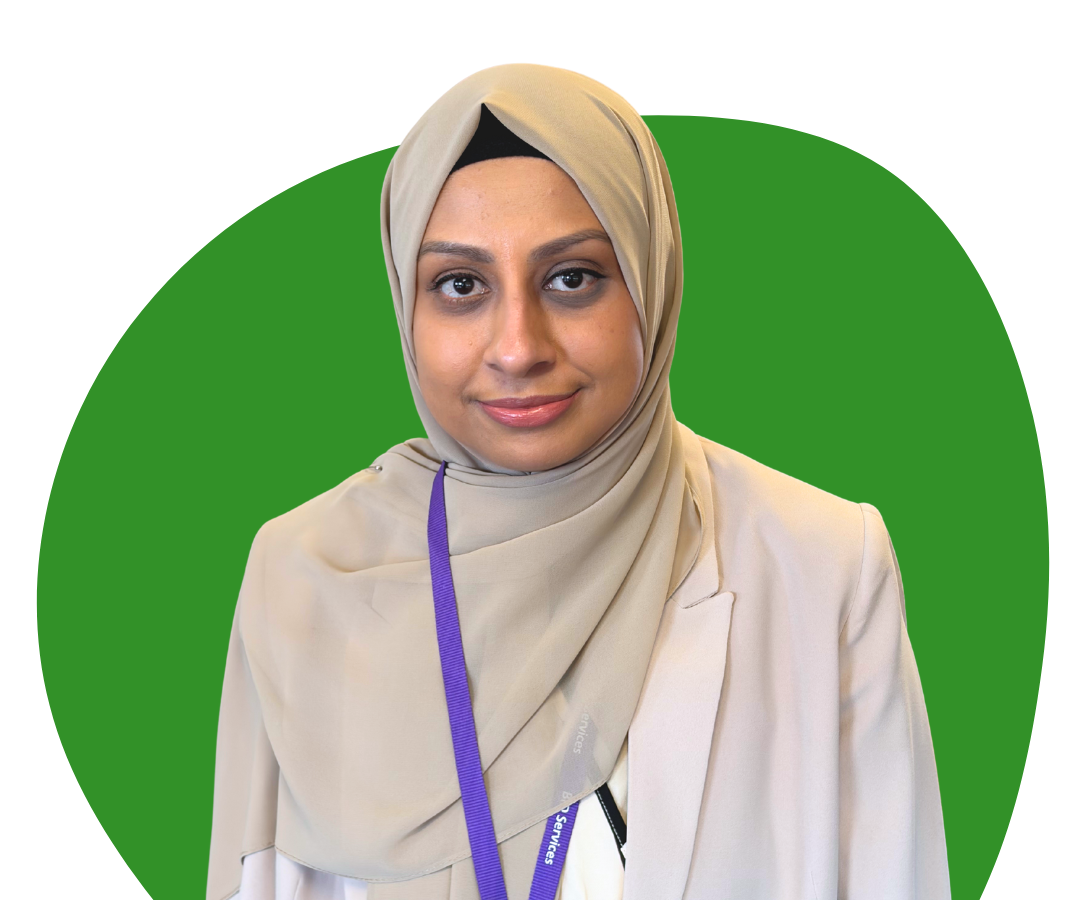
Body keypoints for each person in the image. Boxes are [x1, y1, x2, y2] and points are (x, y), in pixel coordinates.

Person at [207, 64, 950, 900]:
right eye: (460, 285)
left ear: (651, 283)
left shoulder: (820, 567)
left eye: (572, 278)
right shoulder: (304, 576)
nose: (518, 347)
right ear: (405, 304)